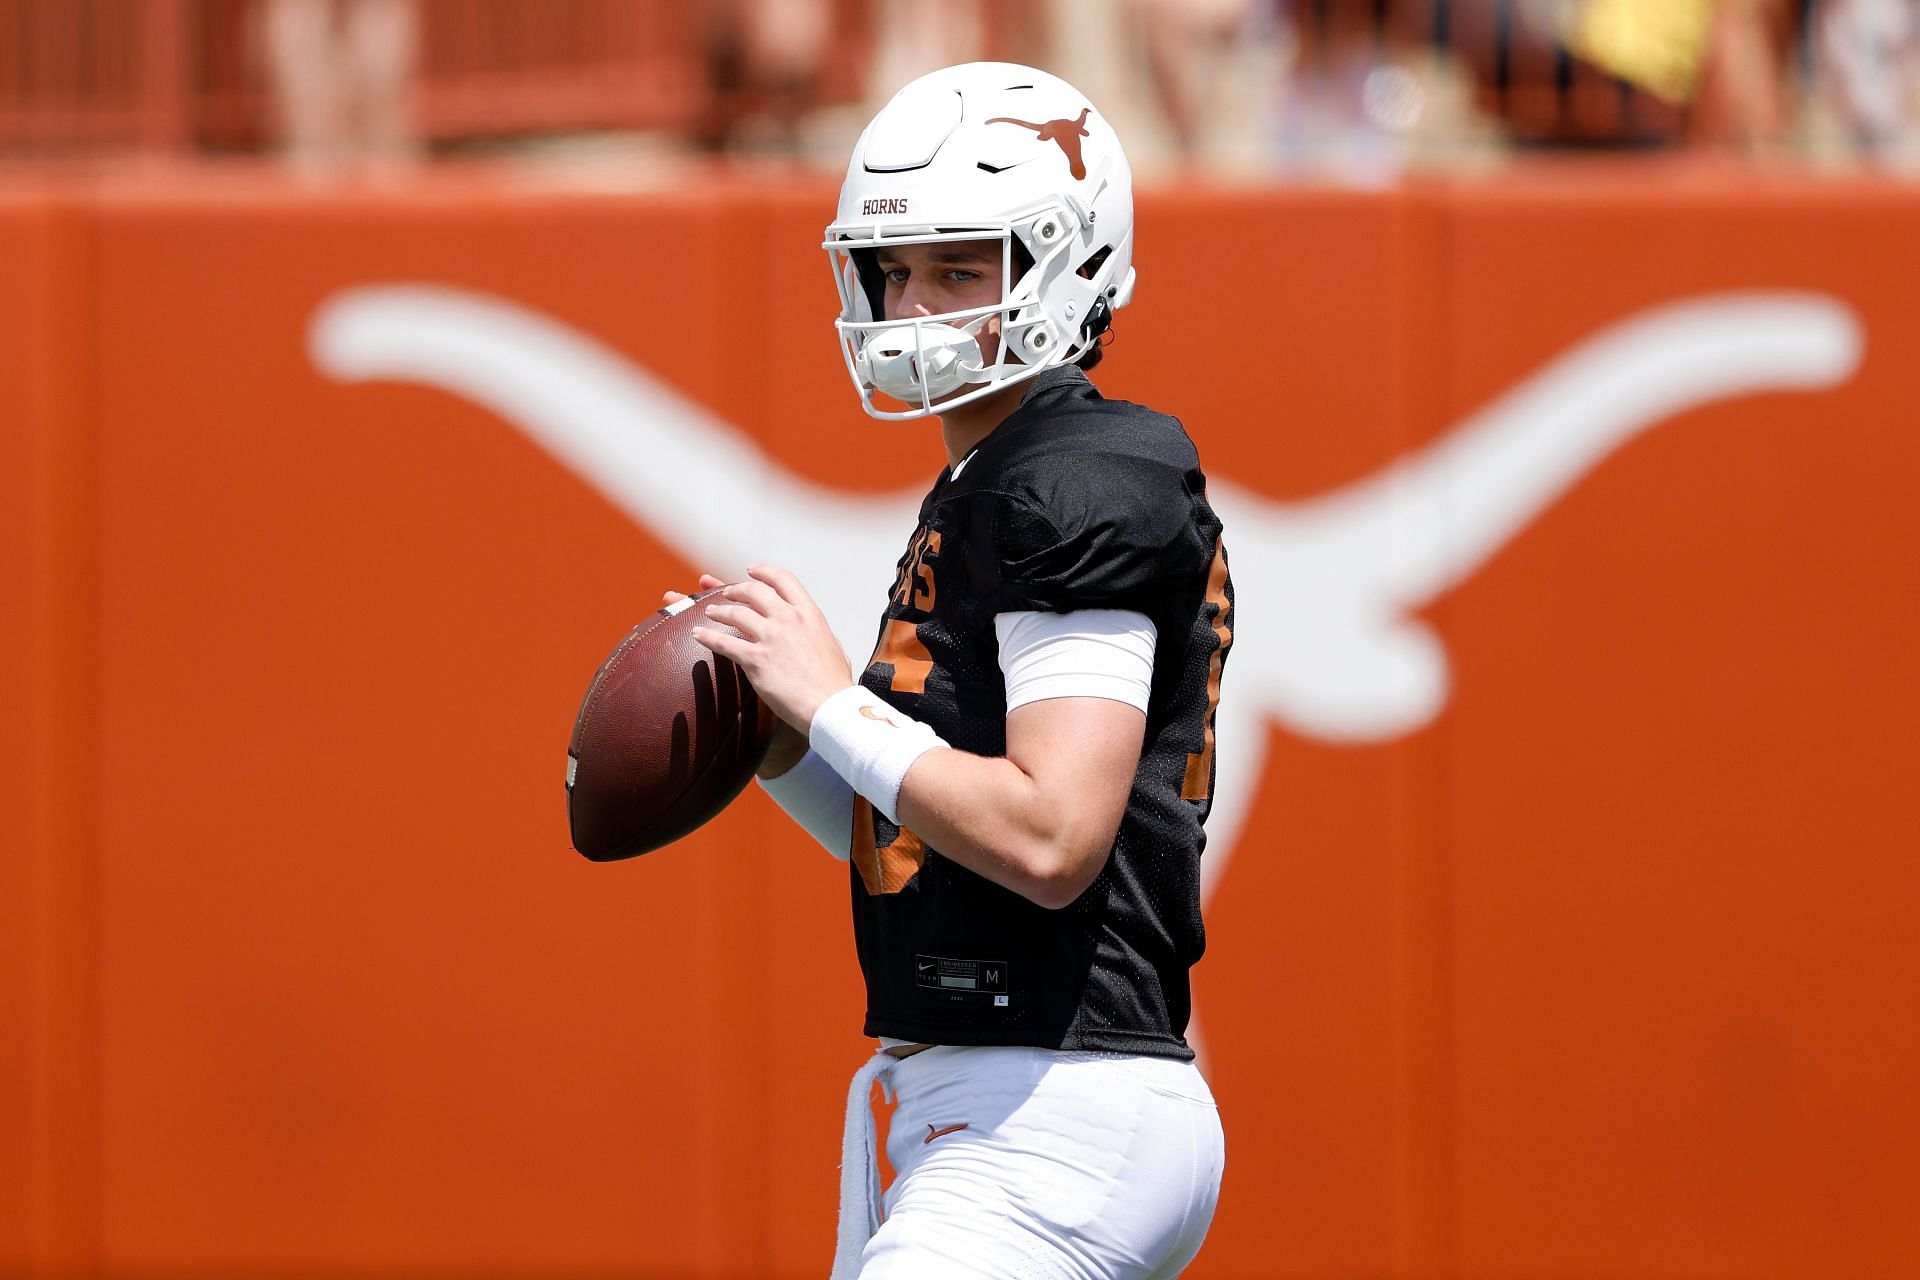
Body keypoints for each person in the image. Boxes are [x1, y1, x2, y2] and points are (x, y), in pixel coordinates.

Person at [676, 62, 1233, 1279]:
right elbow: (929, 836)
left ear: (1065, 265)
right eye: (899, 268)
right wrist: (784, 741)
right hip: (990, 1096)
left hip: (1049, 1108)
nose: (912, 300)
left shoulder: (1076, 478)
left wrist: (832, 697)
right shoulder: (1000, 475)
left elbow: (1048, 835)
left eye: (960, 267)